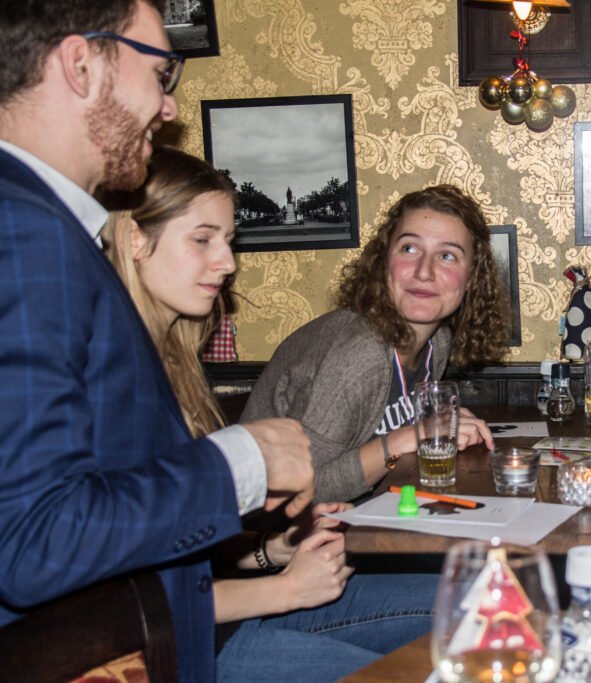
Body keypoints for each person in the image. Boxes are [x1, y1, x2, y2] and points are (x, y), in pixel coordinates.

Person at [0, 3, 314, 680]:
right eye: (160, 73)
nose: (169, 107)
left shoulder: (43, 225)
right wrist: (242, 461)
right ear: (81, 65)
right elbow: (33, 541)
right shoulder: (27, 231)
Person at [103, 145, 436, 681]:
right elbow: (117, 600)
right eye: (203, 239)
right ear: (135, 239)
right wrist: (284, 590)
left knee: (476, 597)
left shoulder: (172, 362)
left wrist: (274, 550)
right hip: (185, 651)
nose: (228, 262)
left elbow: (177, 547)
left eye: (228, 240)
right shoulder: (114, 376)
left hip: (235, 612)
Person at [242, 184, 511, 502]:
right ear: (383, 261)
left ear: (471, 278)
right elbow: (292, 492)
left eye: (447, 256)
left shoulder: (437, 342)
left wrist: (435, 426)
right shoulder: (359, 356)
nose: (424, 271)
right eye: (409, 249)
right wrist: (405, 439)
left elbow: (392, 450)